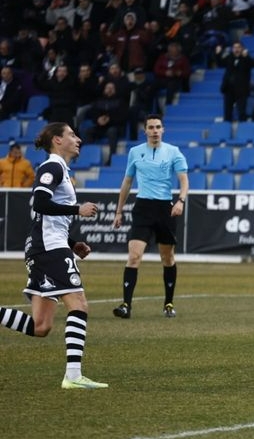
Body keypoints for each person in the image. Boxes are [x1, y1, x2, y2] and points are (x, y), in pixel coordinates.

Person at [0, 122, 107, 389]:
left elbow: (43, 215)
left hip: (46, 246)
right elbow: (40, 203)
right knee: (79, 305)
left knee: (41, 326)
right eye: (72, 135)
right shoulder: (53, 167)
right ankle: (73, 376)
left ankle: (73, 376)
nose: (78, 139)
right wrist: (76, 210)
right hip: (48, 248)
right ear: (57, 140)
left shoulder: (60, 169)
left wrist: (71, 243)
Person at [111, 114, 189, 319]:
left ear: (163, 130)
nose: (155, 131)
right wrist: (119, 211)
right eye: (151, 127)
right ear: (144, 131)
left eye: (158, 127)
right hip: (143, 208)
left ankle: (169, 303)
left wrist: (180, 200)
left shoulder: (174, 152)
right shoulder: (135, 152)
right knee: (134, 256)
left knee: (167, 257)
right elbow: (127, 183)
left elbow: (184, 180)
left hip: (165, 209)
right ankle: (126, 305)